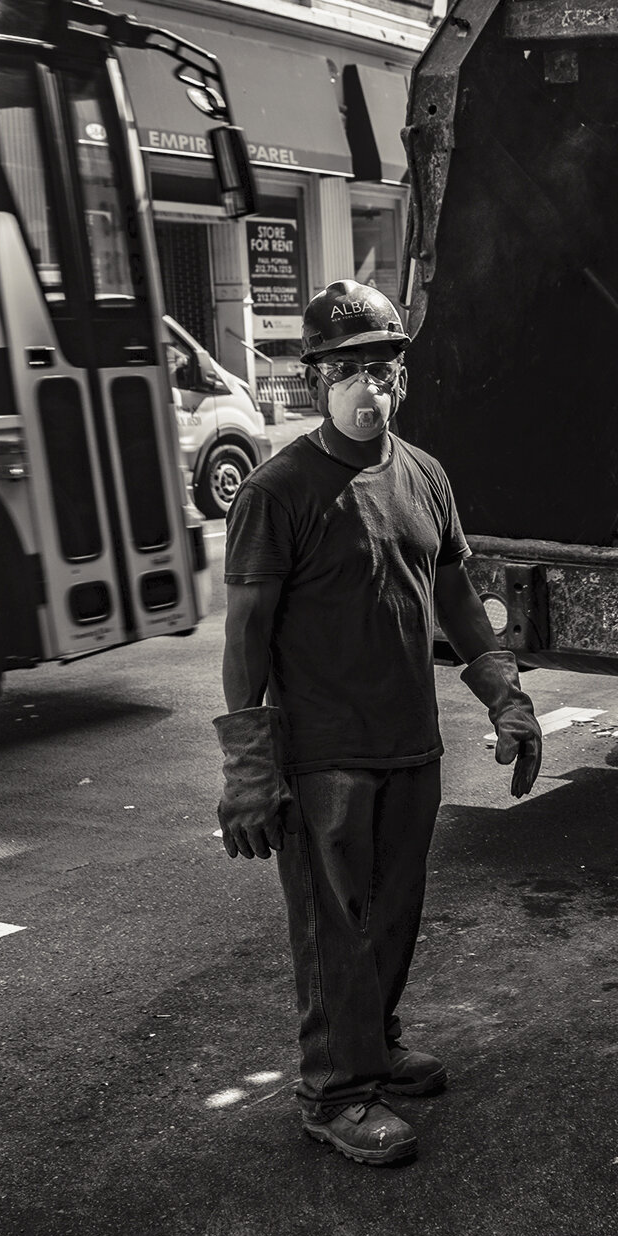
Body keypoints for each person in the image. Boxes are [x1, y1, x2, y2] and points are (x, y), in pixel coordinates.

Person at [213, 279, 544, 1166]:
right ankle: (335, 1091)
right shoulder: (278, 492)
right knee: (333, 927)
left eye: (385, 371)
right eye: (350, 372)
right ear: (316, 379)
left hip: (410, 743)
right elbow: (246, 633)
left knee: (394, 912)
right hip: (325, 754)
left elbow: (455, 595)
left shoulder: (425, 475)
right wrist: (249, 762)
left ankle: (378, 1048)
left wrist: (503, 692)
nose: (372, 390)